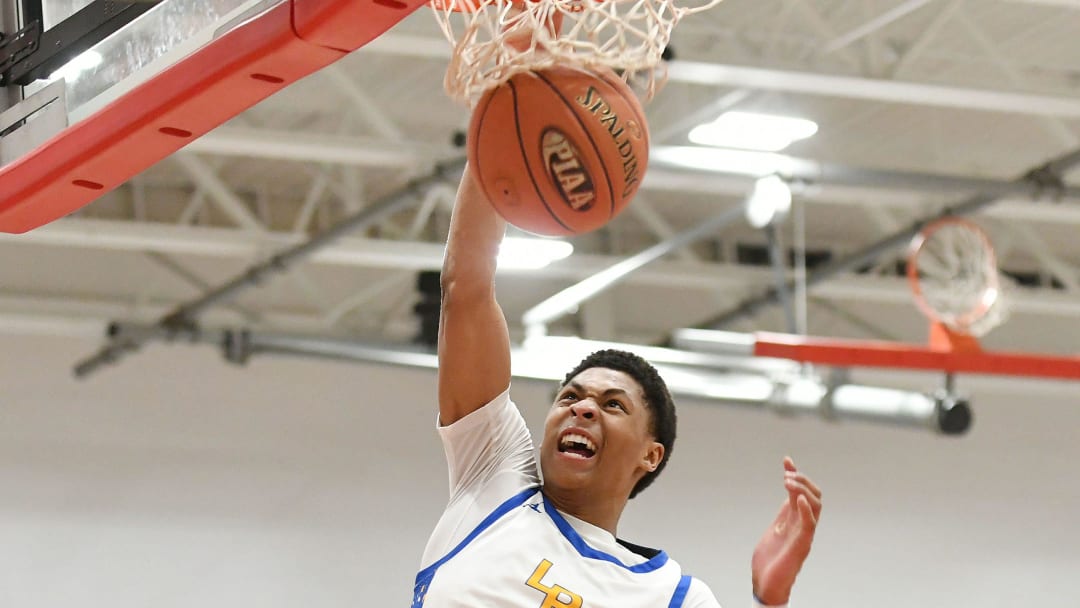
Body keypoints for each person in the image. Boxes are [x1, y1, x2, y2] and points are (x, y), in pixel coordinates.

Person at [412, 167, 823, 607]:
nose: (582, 408)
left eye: (613, 405)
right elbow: (466, 289)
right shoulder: (495, 475)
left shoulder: (672, 595)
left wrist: (768, 599)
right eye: (570, 396)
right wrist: (489, 141)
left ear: (651, 454)